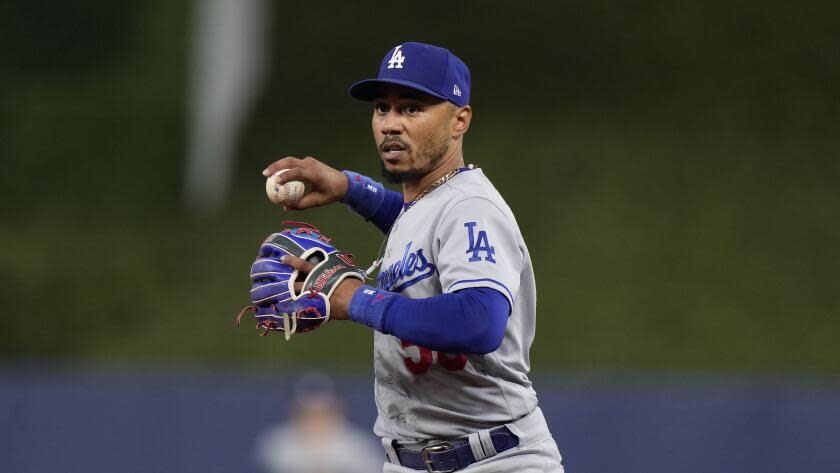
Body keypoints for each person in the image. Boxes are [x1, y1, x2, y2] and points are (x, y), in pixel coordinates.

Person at [262, 42, 565, 472]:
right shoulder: (430, 204)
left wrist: (356, 299)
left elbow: (479, 320)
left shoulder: (470, 207)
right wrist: (350, 188)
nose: (390, 124)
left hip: (493, 459)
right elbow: (415, 229)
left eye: (411, 108)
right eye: (382, 109)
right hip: (411, 460)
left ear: (460, 119)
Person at [254, 372, 383, 473]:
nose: (316, 421)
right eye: (309, 414)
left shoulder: (359, 445)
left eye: (323, 413)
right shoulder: (277, 442)